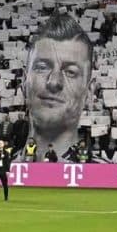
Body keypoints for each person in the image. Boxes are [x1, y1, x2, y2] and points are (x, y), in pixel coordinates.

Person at [23, 13, 92, 164]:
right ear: (24, 81)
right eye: (42, 67)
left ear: (88, 92)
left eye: (70, 72)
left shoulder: (101, 172)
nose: (54, 82)